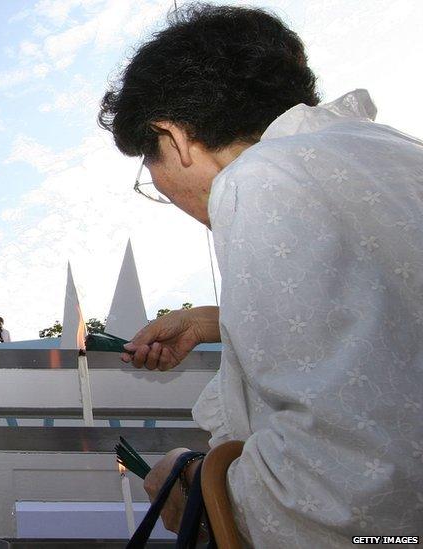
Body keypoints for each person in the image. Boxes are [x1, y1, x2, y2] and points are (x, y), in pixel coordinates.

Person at [99, 5, 422, 547]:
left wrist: (195, 480)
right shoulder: (394, 153)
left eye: (150, 172)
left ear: (173, 137)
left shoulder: (261, 181)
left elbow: (347, 492)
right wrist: (217, 322)